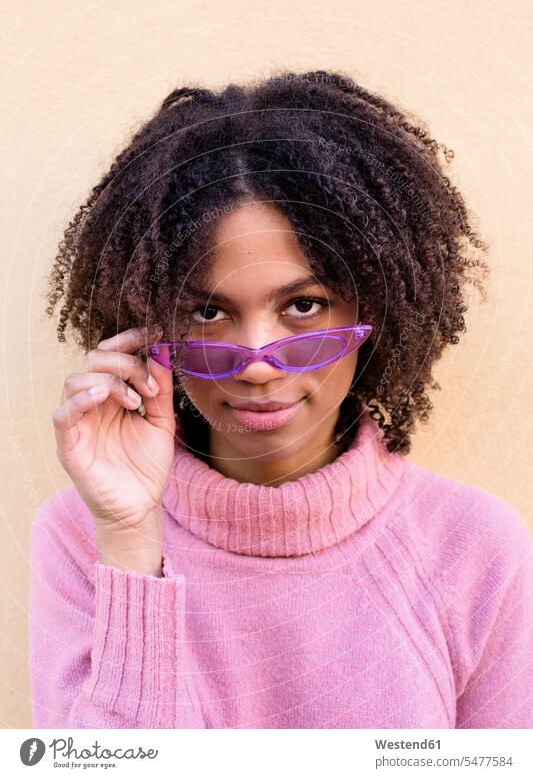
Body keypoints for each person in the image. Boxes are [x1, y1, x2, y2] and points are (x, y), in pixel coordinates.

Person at [29, 70, 533, 729]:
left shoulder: (475, 549)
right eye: (207, 311)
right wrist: (129, 542)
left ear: (377, 303)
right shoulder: (82, 533)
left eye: (303, 305)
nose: (258, 363)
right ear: (149, 327)